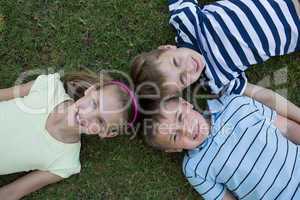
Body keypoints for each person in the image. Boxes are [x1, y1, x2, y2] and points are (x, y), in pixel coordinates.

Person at [131, 0, 300, 121]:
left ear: (166, 48)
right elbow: (264, 96)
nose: (189, 67)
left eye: (176, 62)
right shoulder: (217, 81)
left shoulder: (186, 21)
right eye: (183, 78)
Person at [0, 71, 138, 200]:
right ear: (91, 90)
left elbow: (12, 192)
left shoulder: (65, 162)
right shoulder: (49, 88)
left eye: (100, 121)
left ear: (106, 133)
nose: (86, 115)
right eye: (94, 103)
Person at [141, 92, 300, 199]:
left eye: (181, 117)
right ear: (173, 149)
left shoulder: (236, 104)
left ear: (186, 103)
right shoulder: (195, 168)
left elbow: (288, 128)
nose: (187, 130)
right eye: (175, 136)